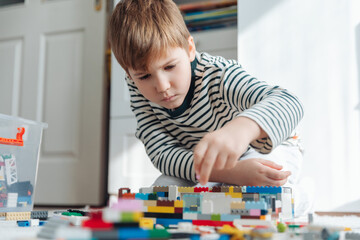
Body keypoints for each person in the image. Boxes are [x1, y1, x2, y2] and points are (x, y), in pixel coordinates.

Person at [109, 0, 310, 215]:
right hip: (204, 163)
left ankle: (302, 198)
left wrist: (240, 130)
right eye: (144, 76)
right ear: (129, 74)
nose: (162, 86)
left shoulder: (219, 74)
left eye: (170, 66)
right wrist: (227, 172)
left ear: (190, 49)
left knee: (251, 198)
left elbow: (289, 102)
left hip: (262, 148)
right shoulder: (136, 87)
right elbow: (162, 153)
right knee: (162, 193)